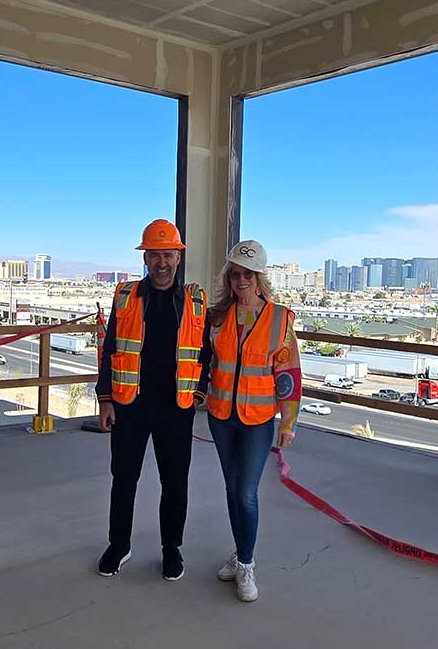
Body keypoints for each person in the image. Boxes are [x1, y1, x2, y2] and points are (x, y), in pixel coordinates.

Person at [96, 219, 207, 581]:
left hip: (176, 409)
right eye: (154, 254)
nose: (161, 262)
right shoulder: (125, 296)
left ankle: (171, 549)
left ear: (178, 257)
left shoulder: (195, 300)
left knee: (175, 482)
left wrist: (199, 394)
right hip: (131, 406)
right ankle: (119, 544)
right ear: (145, 258)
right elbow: (110, 347)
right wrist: (105, 398)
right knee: (123, 478)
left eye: (168, 254)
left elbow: (205, 352)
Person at [194, 239, 301, 602]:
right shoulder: (217, 316)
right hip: (221, 416)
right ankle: (240, 554)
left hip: (257, 420)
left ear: (259, 277)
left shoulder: (279, 318)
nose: (240, 281)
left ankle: (247, 564)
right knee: (231, 489)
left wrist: (288, 422)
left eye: (247, 274)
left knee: (246, 492)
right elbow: (203, 361)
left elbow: (287, 375)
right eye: (235, 274)